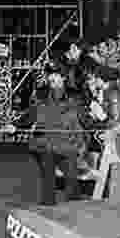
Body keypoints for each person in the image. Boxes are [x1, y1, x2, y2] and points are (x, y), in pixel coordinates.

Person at [29, 63, 84, 205]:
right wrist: (16, 126)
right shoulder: (41, 94)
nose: (51, 77)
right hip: (47, 144)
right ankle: (48, 210)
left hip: (68, 145)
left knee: (72, 179)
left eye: (55, 74)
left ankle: (75, 209)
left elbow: (83, 118)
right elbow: (31, 114)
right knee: (48, 180)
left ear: (63, 77)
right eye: (50, 75)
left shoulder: (74, 96)